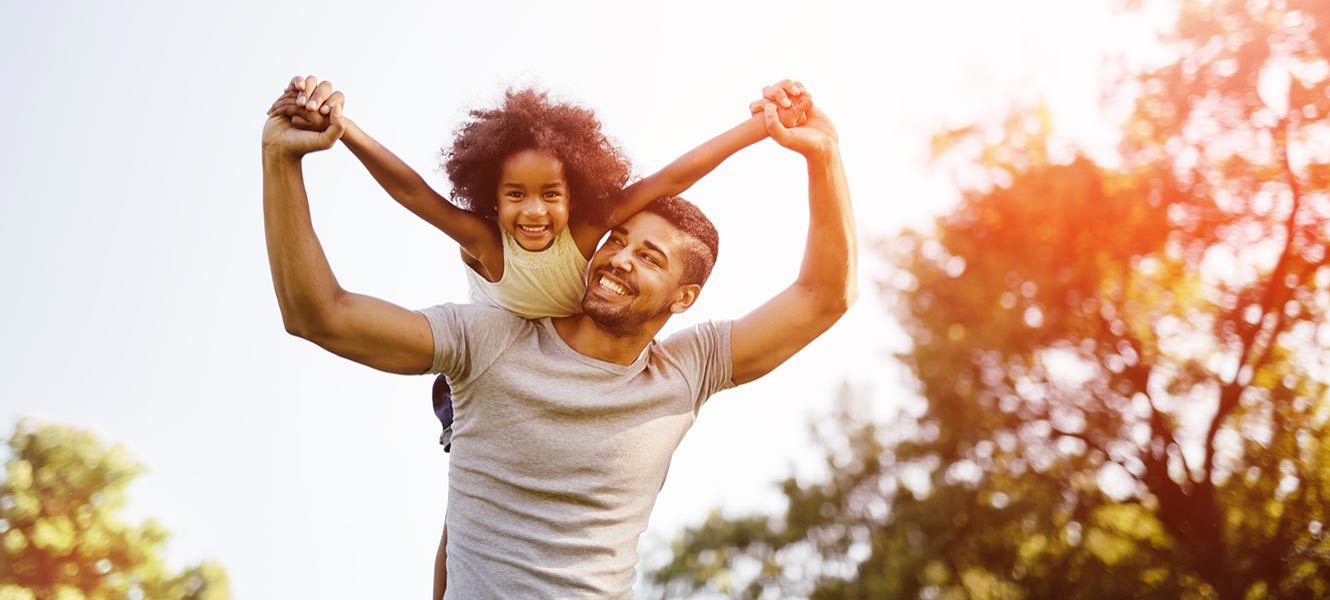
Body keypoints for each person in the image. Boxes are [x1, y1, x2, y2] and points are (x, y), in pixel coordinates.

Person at [261, 80, 855, 598]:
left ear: (684, 298)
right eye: (617, 241)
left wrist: (822, 156)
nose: (618, 259)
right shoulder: (490, 338)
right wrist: (281, 161)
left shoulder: (686, 370)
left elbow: (823, 296)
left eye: (648, 256)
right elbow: (321, 315)